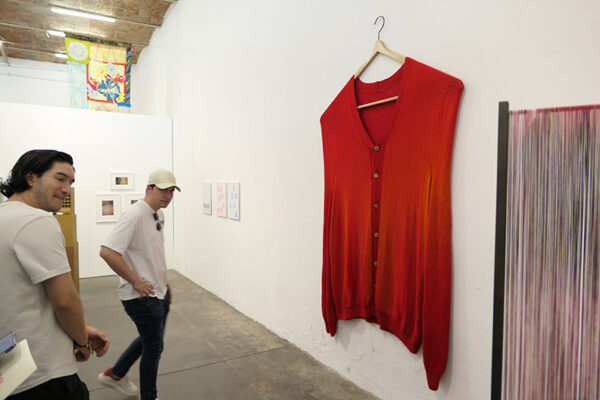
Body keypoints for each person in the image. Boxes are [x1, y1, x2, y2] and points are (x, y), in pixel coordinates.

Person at [0, 150, 110, 400]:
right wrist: (81, 341)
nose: (67, 188)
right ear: (31, 178)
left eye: (70, 182)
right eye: (60, 179)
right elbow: (65, 301)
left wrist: (81, 327)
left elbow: (19, 293)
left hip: (10, 370)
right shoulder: (37, 221)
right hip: (45, 373)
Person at [97, 169, 180, 400]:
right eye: (163, 189)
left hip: (158, 291)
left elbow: (151, 252)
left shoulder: (158, 214)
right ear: (149, 188)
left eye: (172, 190)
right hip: (141, 298)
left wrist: (162, 281)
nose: (168, 195)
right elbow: (108, 251)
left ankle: (115, 374)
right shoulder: (134, 215)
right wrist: (136, 281)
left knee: (151, 339)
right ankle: (148, 396)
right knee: (154, 347)